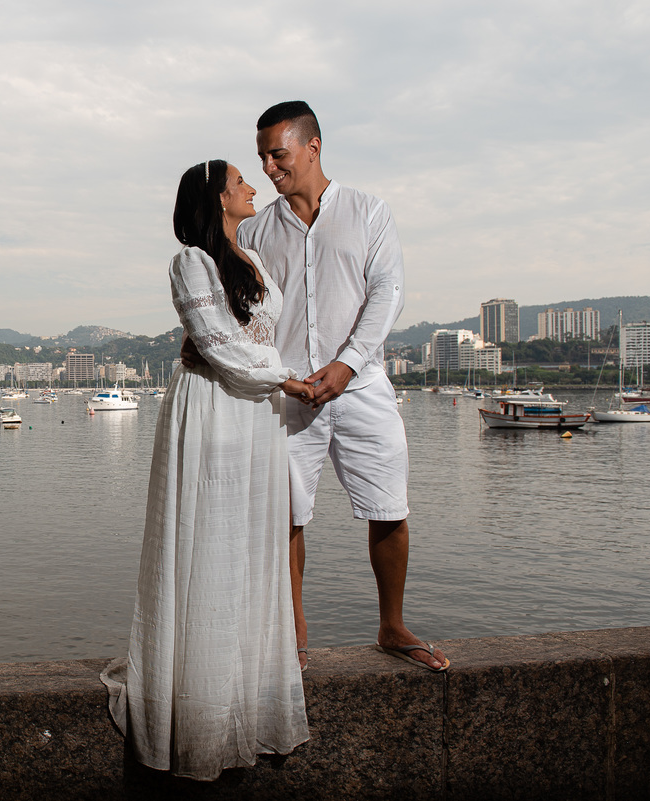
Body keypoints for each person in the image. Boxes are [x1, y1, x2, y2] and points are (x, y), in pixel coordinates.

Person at [102, 159, 312, 781]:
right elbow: (218, 344)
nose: (252, 187)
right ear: (217, 198)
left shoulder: (252, 259)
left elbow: (258, 339)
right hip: (217, 407)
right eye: (240, 181)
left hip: (258, 412)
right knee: (212, 541)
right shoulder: (191, 261)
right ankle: (201, 711)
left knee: (252, 544)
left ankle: (245, 694)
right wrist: (287, 379)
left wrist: (281, 379)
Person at [236, 101, 448, 672]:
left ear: (313, 146)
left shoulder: (368, 212)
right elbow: (248, 314)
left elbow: (387, 293)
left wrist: (348, 364)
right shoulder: (254, 231)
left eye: (276, 154)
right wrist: (280, 377)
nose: (268, 168)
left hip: (363, 386)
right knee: (285, 514)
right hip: (287, 395)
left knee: (390, 506)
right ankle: (294, 636)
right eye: (261, 158)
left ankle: (392, 625)